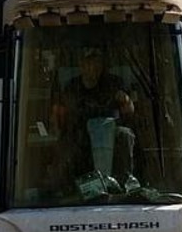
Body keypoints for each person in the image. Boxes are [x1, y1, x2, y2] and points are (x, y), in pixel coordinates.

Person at [50, 45, 138, 191]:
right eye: (89, 62)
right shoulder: (72, 87)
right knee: (67, 143)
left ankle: (124, 184)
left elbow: (130, 112)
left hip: (112, 133)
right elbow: (58, 116)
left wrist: (126, 100)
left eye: (97, 62)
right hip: (81, 134)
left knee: (126, 135)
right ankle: (67, 188)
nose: (93, 67)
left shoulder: (115, 83)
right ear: (81, 65)